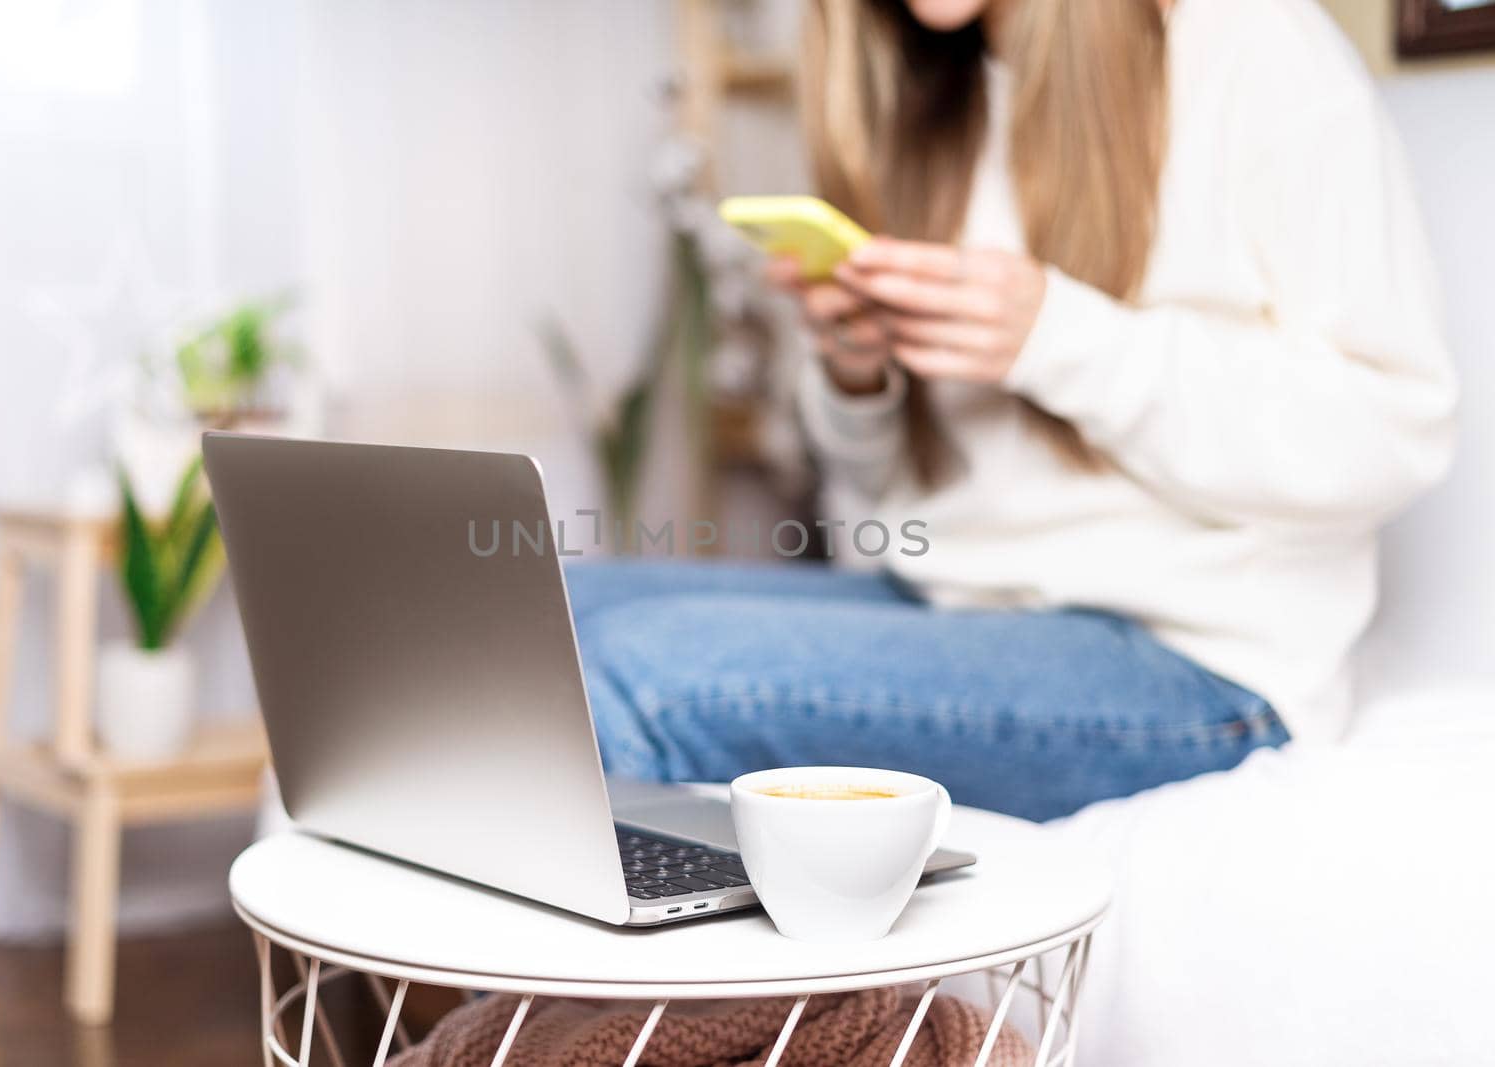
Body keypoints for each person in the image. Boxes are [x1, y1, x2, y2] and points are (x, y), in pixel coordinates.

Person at [566, 0, 1456, 822]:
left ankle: (550, 1000)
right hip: (955, 600)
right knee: (547, 616)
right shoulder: (921, 93)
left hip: (1197, 667)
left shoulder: (1252, 46)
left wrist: (1057, 336)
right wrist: (855, 376)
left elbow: (1389, 432)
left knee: (632, 673)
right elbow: (882, 501)